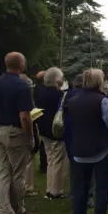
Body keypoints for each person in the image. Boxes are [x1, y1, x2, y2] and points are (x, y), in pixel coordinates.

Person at [0, 52, 37, 214]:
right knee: (18, 173)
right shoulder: (21, 86)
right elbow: (25, 116)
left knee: (1, 173)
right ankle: (18, 209)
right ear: (21, 65)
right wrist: (29, 137)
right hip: (14, 132)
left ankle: (4, 212)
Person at [67, 69, 108, 214]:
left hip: (79, 149)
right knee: (102, 189)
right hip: (100, 150)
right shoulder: (101, 100)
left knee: (80, 188)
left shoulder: (72, 100)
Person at [63, 74, 95, 208]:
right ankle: (86, 196)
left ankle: (74, 194)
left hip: (70, 136)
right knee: (88, 169)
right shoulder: (86, 97)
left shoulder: (66, 96)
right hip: (85, 136)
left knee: (74, 168)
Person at [35, 67, 68, 199]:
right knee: (58, 160)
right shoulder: (59, 95)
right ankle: (56, 190)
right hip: (56, 130)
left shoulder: (41, 92)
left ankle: (50, 188)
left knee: (50, 159)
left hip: (43, 129)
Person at [19, 74, 41, 197]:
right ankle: (27, 187)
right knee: (28, 159)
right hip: (25, 128)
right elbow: (27, 116)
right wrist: (31, 135)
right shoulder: (25, 96)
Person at [34, 71, 47, 174]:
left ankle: (43, 164)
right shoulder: (43, 90)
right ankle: (44, 164)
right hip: (44, 116)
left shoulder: (37, 88)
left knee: (43, 140)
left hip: (39, 116)